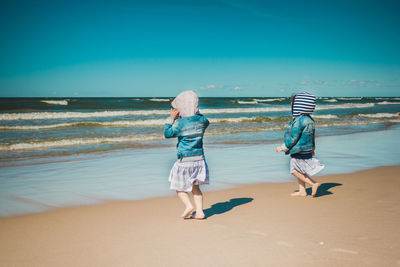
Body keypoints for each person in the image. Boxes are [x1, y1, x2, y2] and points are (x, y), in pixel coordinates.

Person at [164, 90, 210, 219]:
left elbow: (167, 134)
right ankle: (200, 212)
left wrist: (171, 119)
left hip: (184, 160)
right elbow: (206, 121)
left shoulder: (179, 123)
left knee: (178, 187)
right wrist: (195, 114)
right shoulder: (202, 120)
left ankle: (189, 206)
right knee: (196, 188)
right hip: (199, 160)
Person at [276, 92, 325, 197]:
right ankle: (302, 191)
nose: (291, 105)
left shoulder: (299, 121)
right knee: (300, 170)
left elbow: (294, 137)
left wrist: (283, 147)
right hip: (307, 149)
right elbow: (312, 136)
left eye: (292, 103)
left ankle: (313, 183)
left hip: (299, 150)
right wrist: (313, 148)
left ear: (298, 106)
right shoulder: (310, 120)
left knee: (294, 170)